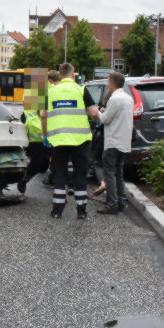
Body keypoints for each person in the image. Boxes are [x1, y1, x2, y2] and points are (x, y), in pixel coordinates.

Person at [42, 63, 99, 219]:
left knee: (60, 174)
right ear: (73, 75)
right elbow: (93, 112)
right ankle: (81, 210)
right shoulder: (81, 90)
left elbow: (44, 116)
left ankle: (57, 210)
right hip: (80, 141)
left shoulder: (51, 91)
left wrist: (46, 135)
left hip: (58, 140)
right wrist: (99, 119)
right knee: (80, 175)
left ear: (60, 75)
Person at [97, 72, 134, 215]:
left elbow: (105, 120)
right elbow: (118, 115)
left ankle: (111, 204)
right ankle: (121, 201)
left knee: (109, 174)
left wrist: (97, 112)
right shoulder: (128, 98)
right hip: (124, 141)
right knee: (119, 172)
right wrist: (105, 112)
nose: (108, 84)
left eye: (108, 82)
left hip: (113, 141)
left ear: (113, 83)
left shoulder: (114, 98)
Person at [17, 77, 50, 194]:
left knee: (43, 162)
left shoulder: (35, 91)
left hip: (40, 133)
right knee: (38, 162)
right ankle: (23, 179)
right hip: (39, 135)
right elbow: (36, 118)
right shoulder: (38, 92)